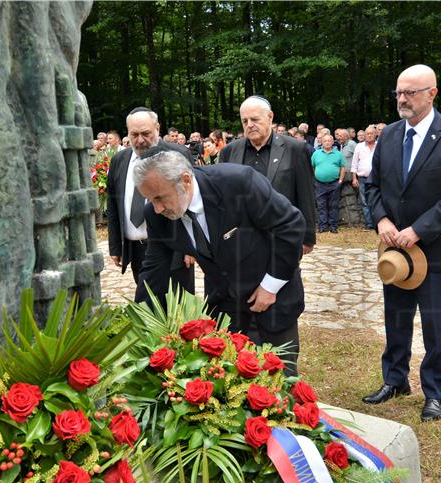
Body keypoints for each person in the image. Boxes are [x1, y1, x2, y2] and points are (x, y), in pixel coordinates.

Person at [363, 64, 441, 422]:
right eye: (398, 92)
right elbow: (373, 185)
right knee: (395, 317)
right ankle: (395, 380)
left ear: (432, 93)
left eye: (410, 92)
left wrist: (419, 230)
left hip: (436, 250)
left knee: (435, 324)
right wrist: (381, 219)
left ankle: (434, 392)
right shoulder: (390, 135)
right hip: (394, 250)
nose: (402, 99)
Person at [133, 145, 306, 376]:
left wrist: (270, 286)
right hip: (225, 307)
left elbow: (290, 226)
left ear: (185, 180)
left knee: (280, 383)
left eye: (159, 198)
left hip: (274, 300)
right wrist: (138, 325)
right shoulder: (156, 216)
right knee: (229, 386)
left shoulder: (238, 183)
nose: (156, 208)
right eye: (149, 199)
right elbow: (153, 270)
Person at [106, 107, 195, 294]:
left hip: (174, 248)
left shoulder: (178, 154)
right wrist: (116, 245)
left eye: (145, 133)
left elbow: (192, 201)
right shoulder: (119, 160)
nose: (140, 140)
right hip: (137, 250)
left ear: (157, 128)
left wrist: (190, 247)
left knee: (180, 312)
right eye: (134, 134)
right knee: (148, 308)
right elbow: (113, 205)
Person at [219, 95, 317, 254]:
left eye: (254, 119)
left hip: (282, 238)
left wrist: (307, 237)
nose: (249, 125)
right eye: (245, 121)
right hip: (240, 242)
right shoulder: (229, 151)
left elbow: (306, 195)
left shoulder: (295, 149)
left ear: (270, 117)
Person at [311, 134, 345, 233]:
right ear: (321, 142)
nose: (327, 142)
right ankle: (322, 226)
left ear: (332, 142)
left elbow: (342, 167)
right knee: (321, 205)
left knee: (333, 205)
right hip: (319, 184)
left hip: (334, 183)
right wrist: (316, 177)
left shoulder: (338, 154)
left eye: (329, 141)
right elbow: (312, 167)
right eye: (325, 141)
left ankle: (333, 226)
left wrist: (340, 180)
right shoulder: (316, 153)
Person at [350, 125, 378, 229]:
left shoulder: (379, 145)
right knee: (365, 201)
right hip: (362, 178)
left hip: (377, 178)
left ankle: (377, 223)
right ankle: (369, 224)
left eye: (372, 133)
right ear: (364, 135)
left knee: (376, 200)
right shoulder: (359, 146)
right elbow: (354, 163)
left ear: (375, 135)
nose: (369, 135)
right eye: (367, 133)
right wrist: (354, 177)